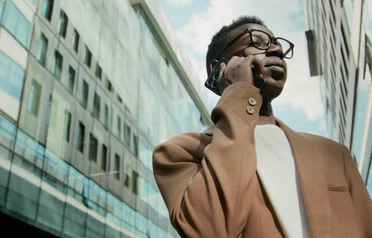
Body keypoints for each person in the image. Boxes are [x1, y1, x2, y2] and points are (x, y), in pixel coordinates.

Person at [152, 16, 372, 238]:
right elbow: (209, 231)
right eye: (258, 40)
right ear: (219, 67)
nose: (276, 49)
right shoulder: (179, 153)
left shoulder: (335, 155)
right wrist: (238, 91)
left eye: (277, 43)